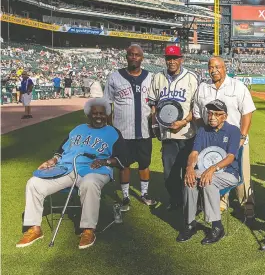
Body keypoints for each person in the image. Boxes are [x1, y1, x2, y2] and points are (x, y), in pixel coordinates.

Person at [16, 98, 129, 250]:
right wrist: (52, 160)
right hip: (66, 169)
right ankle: (34, 228)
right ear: (89, 115)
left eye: (102, 113)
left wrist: (105, 162)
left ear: (107, 115)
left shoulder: (113, 132)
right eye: (94, 113)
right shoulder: (77, 129)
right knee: (34, 183)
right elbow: (61, 151)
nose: (98, 116)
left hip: (94, 170)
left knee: (90, 183)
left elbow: (123, 159)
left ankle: (88, 230)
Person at [193, 57, 256, 219]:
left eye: (217, 67)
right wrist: (204, 135)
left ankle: (247, 204)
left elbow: (247, 113)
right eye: (210, 67)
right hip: (212, 143)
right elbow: (197, 115)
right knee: (215, 172)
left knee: (242, 175)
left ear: (224, 68)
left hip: (236, 140)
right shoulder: (203, 88)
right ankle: (220, 202)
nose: (213, 70)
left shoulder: (238, 86)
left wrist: (241, 137)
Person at [178, 100, 241, 244]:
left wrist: (212, 169)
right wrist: (189, 168)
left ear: (224, 116)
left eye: (217, 114)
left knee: (208, 181)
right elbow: (194, 153)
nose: (212, 117)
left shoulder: (233, 131)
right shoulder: (202, 130)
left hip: (228, 173)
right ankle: (190, 223)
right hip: (204, 171)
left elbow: (231, 157)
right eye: (210, 113)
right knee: (190, 180)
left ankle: (216, 226)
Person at [104, 45, 156, 210]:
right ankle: (126, 196)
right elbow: (107, 104)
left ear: (142, 58)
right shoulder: (114, 77)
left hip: (144, 130)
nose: (134, 57)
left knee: (144, 164)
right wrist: (109, 127)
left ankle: (144, 193)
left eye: (137, 55)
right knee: (123, 164)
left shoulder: (151, 77)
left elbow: (155, 103)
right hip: (122, 131)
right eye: (131, 54)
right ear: (126, 57)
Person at [148, 45, 199, 210]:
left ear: (181, 59)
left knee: (188, 170)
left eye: (175, 58)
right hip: (167, 135)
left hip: (187, 134)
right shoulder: (158, 77)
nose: (172, 61)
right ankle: (176, 200)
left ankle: (190, 202)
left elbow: (196, 107)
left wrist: (183, 122)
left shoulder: (191, 77)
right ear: (165, 60)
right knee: (169, 173)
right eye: (169, 58)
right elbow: (153, 103)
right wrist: (155, 123)